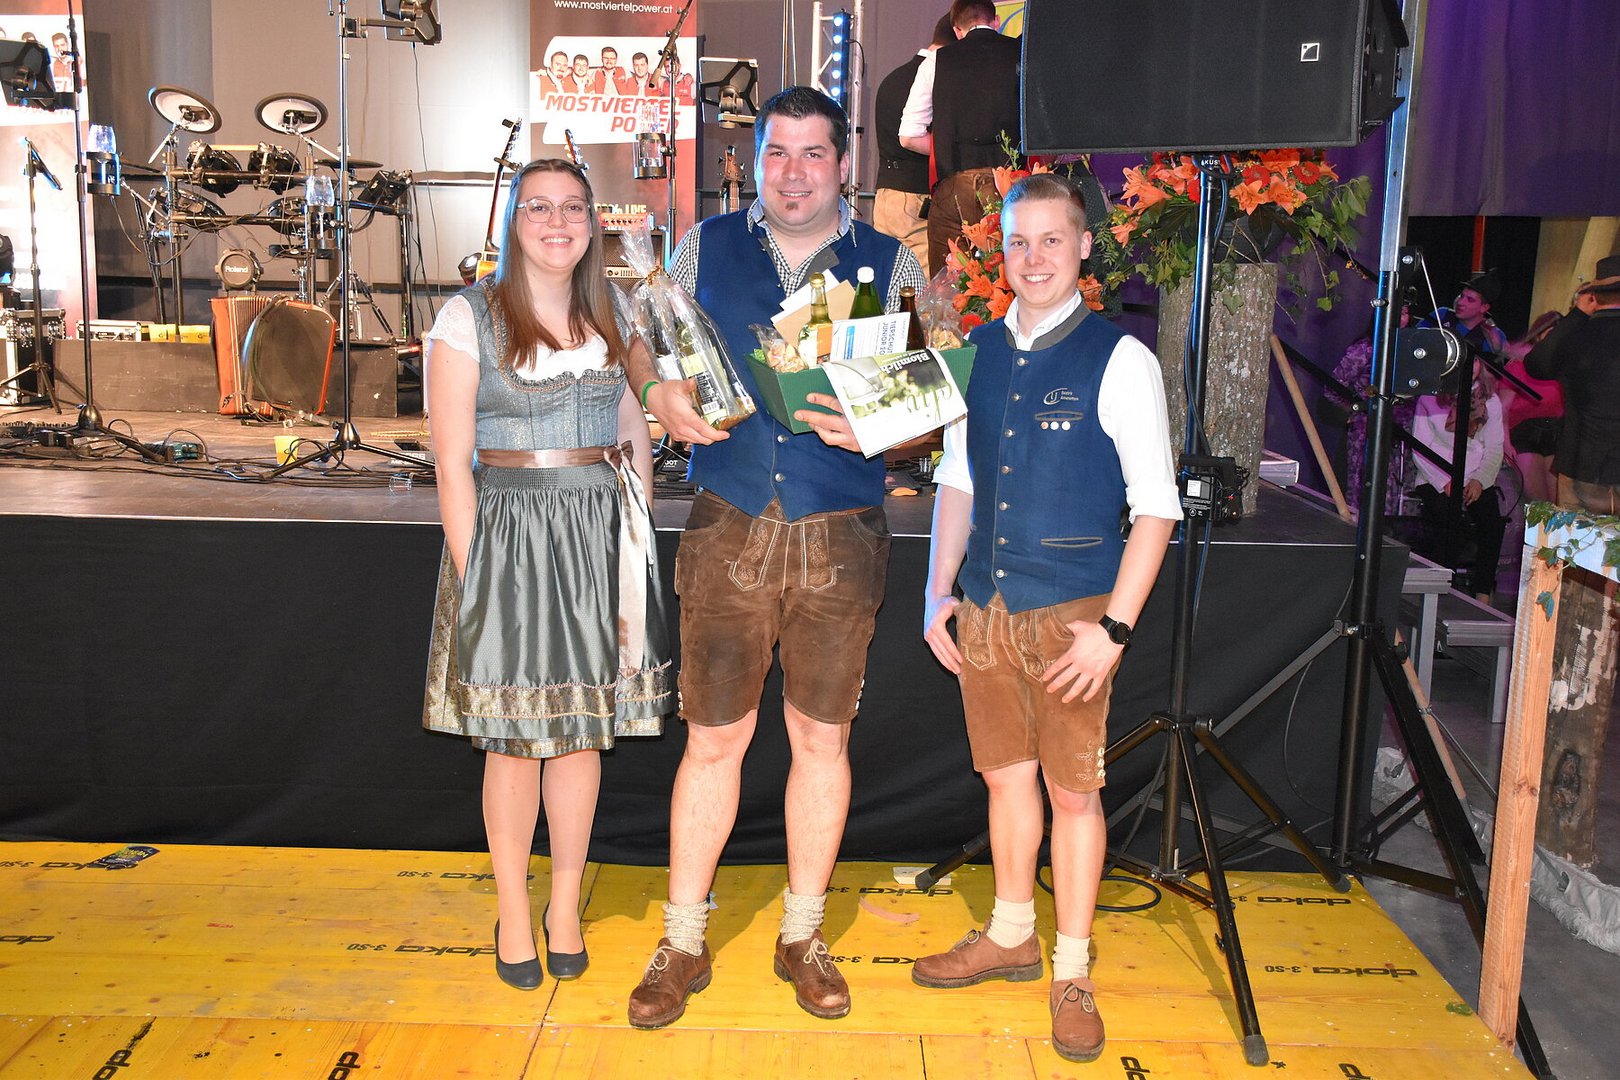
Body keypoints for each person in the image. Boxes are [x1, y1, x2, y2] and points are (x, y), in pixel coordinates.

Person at [622, 86, 927, 1030]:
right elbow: (640, 339)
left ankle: (803, 935)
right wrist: (657, 395)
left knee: (821, 741)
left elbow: (928, 396)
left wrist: (890, 429)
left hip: (841, 531)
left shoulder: (893, 261)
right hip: (729, 520)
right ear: (755, 162)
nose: (794, 174)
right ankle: (682, 940)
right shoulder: (703, 246)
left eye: (813, 153)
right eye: (777, 154)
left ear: (845, 163)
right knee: (712, 739)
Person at [917, 173, 1180, 1064]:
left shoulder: (1122, 358)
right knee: (1005, 781)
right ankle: (1010, 934)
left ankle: (1072, 970)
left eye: (1052, 240)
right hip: (987, 611)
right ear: (1002, 250)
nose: (1033, 258)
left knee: (1073, 793)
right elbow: (958, 480)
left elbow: (1156, 509)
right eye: (1018, 242)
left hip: (1074, 619)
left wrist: (1115, 631)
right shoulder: (975, 351)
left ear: (1084, 248)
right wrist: (938, 592)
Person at [421, 159, 674, 992]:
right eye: (539, 208)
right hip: (512, 538)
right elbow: (452, 465)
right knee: (513, 741)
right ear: (513, 220)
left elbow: (631, 421)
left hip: (597, 532)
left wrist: (636, 528)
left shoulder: (612, 310)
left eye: (572, 208)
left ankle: (564, 905)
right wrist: (478, 580)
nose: (557, 222)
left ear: (592, 223)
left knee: (579, 732)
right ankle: (512, 910)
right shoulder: (469, 317)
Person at [898, 0, 1021, 275]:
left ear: (957, 30)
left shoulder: (936, 61)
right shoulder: (1022, 55)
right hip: (1010, 187)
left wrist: (944, 148)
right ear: (996, 21)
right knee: (1008, 277)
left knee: (949, 284)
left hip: (954, 187)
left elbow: (908, 136)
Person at [1525, 253, 1620, 513]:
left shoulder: (1575, 336)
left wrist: (1577, 315)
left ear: (1593, 296)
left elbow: (1535, 366)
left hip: (1580, 464)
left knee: (1575, 536)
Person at [1409, 359, 1508, 600]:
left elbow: (1494, 448)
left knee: (1492, 524)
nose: (1469, 364)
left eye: (1473, 360)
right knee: (1449, 522)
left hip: (1474, 474)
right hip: (1435, 475)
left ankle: (1482, 592)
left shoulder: (1490, 401)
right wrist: (1443, 480)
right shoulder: (1429, 398)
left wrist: (1479, 480)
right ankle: (1444, 590)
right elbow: (1420, 446)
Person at [872, 14, 953, 269]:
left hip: (885, 197)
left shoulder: (893, 77)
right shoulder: (936, 79)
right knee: (921, 286)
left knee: (885, 279)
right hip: (917, 200)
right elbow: (911, 139)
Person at [1498, 312, 1566, 504]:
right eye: (1551, 333)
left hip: (1555, 432)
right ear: (1539, 334)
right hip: (1524, 433)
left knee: (1556, 503)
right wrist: (1506, 443)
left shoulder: (1563, 367)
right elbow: (1503, 408)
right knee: (1537, 502)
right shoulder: (1520, 364)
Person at [1428, 269, 1509, 358]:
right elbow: (1417, 337)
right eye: (1462, 296)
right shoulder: (1442, 315)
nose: (1460, 302)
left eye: (1470, 300)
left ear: (1484, 308)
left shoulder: (1494, 337)